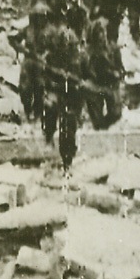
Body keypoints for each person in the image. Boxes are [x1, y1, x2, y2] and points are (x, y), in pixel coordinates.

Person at [41, 20, 84, 168]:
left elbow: (80, 81)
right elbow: (46, 78)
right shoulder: (52, 58)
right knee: (49, 108)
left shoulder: (78, 60)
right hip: (57, 92)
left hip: (71, 96)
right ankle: (48, 136)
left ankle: (67, 160)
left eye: (69, 46)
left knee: (68, 126)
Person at [83, 18, 124, 129]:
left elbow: (120, 69)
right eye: (98, 34)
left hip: (110, 84)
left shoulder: (113, 49)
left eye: (102, 32)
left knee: (116, 113)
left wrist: (116, 74)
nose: (101, 36)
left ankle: (104, 125)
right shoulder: (87, 53)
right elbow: (84, 72)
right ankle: (99, 125)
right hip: (95, 86)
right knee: (97, 121)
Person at [18, 1, 50, 121]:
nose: (40, 19)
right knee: (25, 88)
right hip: (28, 61)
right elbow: (13, 39)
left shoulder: (48, 32)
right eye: (38, 16)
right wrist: (23, 50)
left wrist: (46, 54)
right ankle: (27, 110)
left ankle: (37, 114)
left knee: (40, 87)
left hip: (41, 62)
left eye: (42, 16)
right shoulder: (28, 30)